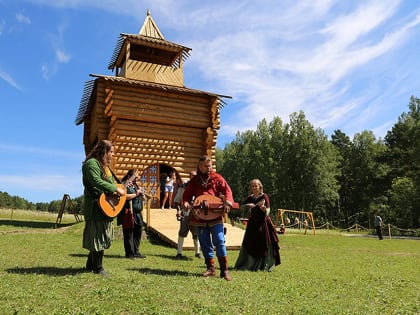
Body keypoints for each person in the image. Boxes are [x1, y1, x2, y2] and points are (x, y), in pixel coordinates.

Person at [182, 155, 235, 281]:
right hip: (199, 216)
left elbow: (227, 191)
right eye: (206, 166)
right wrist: (185, 203)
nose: (208, 168)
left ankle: (224, 270)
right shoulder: (194, 181)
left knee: (219, 240)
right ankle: (210, 268)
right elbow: (187, 196)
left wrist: (228, 202)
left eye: (210, 165)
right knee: (205, 242)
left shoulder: (217, 178)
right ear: (199, 166)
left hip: (215, 215)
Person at [82, 140, 126, 277]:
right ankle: (98, 268)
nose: (112, 155)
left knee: (101, 236)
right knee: (97, 236)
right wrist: (115, 189)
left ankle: (90, 264)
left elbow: (111, 183)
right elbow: (96, 181)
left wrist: (121, 190)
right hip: (95, 206)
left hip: (106, 206)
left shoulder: (105, 167)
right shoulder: (91, 164)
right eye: (111, 152)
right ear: (103, 151)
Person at [234, 179, 281, 272]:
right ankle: (249, 264)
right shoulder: (250, 198)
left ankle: (264, 265)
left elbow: (268, 210)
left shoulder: (264, 196)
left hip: (263, 224)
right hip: (252, 224)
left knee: (263, 243)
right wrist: (248, 205)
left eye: (256, 186)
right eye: (252, 186)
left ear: (260, 186)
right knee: (250, 243)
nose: (254, 188)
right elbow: (242, 207)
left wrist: (264, 209)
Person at [117, 169, 146, 259]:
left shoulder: (135, 185)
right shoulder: (124, 185)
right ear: (129, 176)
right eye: (135, 177)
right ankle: (129, 253)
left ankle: (136, 252)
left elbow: (142, 198)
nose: (136, 179)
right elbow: (124, 197)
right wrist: (136, 194)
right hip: (128, 212)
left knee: (138, 232)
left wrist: (142, 195)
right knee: (129, 233)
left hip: (137, 213)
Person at [174, 171, 201, 259]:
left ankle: (197, 253)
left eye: (195, 176)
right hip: (185, 212)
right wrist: (178, 211)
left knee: (196, 233)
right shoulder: (184, 187)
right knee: (182, 231)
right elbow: (177, 201)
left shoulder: (200, 187)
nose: (193, 177)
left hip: (196, 213)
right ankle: (179, 253)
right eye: (192, 176)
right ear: (190, 177)